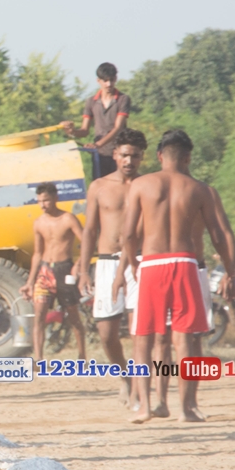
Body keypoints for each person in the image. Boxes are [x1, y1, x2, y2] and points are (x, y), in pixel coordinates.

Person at [113, 129, 235, 423]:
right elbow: (219, 235)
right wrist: (230, 271)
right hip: (186, 263)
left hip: (152, 263)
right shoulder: (200, 189)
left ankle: (145, 407)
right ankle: (186, 409)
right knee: (186, 339)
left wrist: (133, 262)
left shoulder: (141, 184)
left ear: (159, 156)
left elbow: (127, 233)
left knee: (143, 338)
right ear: (188, 158)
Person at [77, 128, 147, 405]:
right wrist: (83, 270)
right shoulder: (99, 186)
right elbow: (89, 230)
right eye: (125, 155)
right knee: (106, 333)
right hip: (106, 263)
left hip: (139, 262)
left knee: (139, 332)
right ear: (115, 155)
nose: (129, 161)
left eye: (135, 156)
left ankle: (140, 388)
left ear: (142, 157)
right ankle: (125, 377)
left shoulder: (147, 185)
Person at [20, 183, 86, 363]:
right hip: (45, 271)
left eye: (46, 200)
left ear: (55, 198)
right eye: (39, 201)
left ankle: (82, 356)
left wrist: (78, 265)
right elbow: (37, 253)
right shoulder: (38, 223)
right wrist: (30, 282)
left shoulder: (68, 219)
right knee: (39, 316)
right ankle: (39, 359)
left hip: (64, 269)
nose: (42, 205)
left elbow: (86, 243)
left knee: (73, 316)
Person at [61, 62, 131, 180]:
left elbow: (118, 128)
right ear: (98, 81)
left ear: (116, 79)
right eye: (105, 80)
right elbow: (84, 131)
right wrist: (71, 131)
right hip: (100, 155)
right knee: (100, 185)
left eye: (111, 80)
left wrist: (97, 145)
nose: (109, 84)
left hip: (119, 153)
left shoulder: (123, 99)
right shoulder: (91, 102)